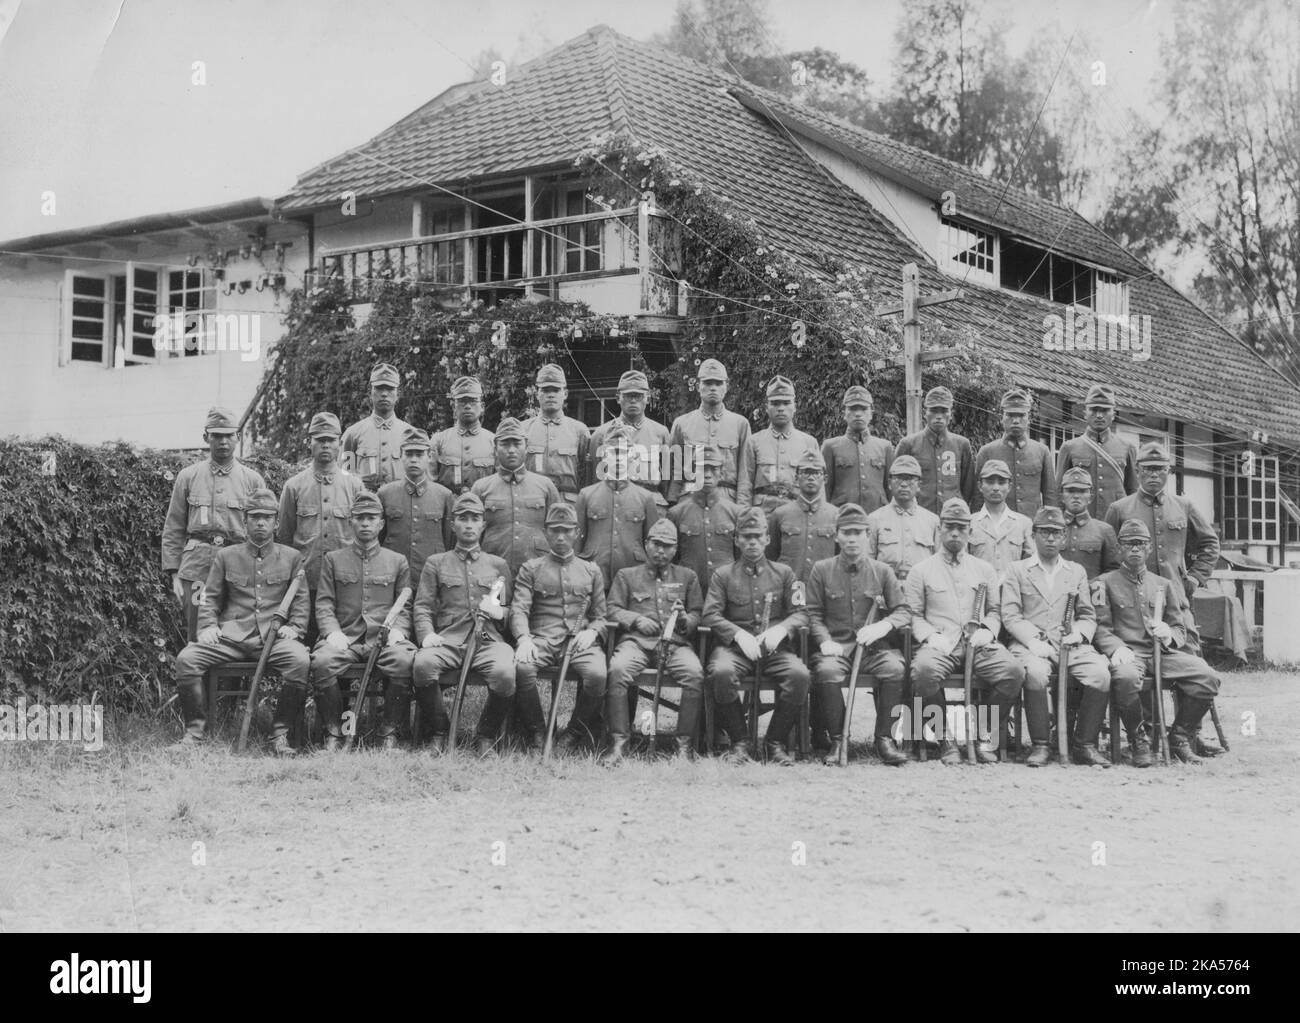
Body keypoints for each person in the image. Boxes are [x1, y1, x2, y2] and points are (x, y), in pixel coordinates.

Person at [170, 488, 309, 753]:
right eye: (254, 516)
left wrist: (295, 628)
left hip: (274, 638)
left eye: (266, 517)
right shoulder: (226, 556)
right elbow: (210, 597)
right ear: (244, 521)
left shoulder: (291, 557)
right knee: (187, 659)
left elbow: (301, 601)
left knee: (300, 660)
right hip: (233, 637)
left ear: (276, 523)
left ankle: (280, 735)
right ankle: (194, 734)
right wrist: (208, 626)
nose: (260, 522)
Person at [905, 499, 1026, 764]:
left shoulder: (983, 569)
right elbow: (912, 615)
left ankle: (983, 733)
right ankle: (945, 738)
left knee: (1013, 672)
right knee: (923, 672)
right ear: (940, 529)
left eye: (962, 527)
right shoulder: (921, 571)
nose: (956, 533)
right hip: (941, 644)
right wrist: (929, 636)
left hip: (978, 645)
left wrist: (989, 631)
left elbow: (995, 610)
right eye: (950, 527)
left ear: (970, 532)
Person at [1093, 519, 1223, 765]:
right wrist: (1116, 647)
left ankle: (1179, 737)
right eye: (1129, 544)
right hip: (1129, 653)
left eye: (1141, 544)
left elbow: (1179, 627)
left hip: (1161, 654)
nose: (1135, 549)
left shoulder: (1163, 585)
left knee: (1207, 677)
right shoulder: (1103, 583)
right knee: (1125, 678)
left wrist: (1168, 634)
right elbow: (1100, 628)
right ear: (1119, 547)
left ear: (1150, 548)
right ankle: (1138, 739)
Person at [1001, 507, 1113, 767]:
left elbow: (1087, 615)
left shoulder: (1076, 572)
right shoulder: (1017, 570)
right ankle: (1041, 744)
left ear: (1064, 537)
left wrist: (1079, 634)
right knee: (1037, 673)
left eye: (1056, 533)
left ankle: (1084, 744)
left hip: (1069, 646)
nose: (1050, 538)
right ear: (1034, 535)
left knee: (1100, 674)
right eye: (1044, 532)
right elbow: (1011, 615)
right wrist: (1033, 642)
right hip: (1031, 645)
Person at [702, 508, 810, 766]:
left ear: (767, 539)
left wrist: (781, 629)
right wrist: (738, 635)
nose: (751, 542)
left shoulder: (785, 573)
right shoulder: (722, 575)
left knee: (799, 675)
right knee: (721, 673)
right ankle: (740, 741)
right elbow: (710, 615)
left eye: (757, 536)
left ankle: (774, 742)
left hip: (774, 650)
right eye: (746, 536)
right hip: (735, 650)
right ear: (737, 540)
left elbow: (803, 613)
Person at [310, 492, 416, 751]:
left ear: (381, 524)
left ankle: (388, 732)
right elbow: (324, 603)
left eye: (372, 518)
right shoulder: (334, 559)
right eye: (360, 518)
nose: (366, 523)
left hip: (384, 639)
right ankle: (335, 732)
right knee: (322, 663)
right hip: (346, 638)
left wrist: (399, 631)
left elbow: (406, 603)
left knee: (404, 661)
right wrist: (332, 633)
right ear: (351, 522)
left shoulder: (397, 561)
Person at [806, 503, 910, 767]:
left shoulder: (882, 571)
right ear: (837, 535)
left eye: (858, 533)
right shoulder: (822, 569)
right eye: (847, 532)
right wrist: (825, 641)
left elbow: (903, 611)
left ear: (867, 535)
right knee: (827, 672)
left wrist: (883, 627)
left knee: (895, 668)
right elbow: (813, 614)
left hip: (873, 650)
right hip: (837, 649)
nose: (852, 539)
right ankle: (839, 740)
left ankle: (884, 738)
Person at [411, 493, 513, 757]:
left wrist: (499, 612)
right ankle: (439, 732)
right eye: (463, 519)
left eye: (475, 519)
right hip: (448, 641)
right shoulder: (437, 563)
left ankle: (486, 736)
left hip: (488, 642)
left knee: (505, 673)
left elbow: (512, 611)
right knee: (423, 665)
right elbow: (422, 605)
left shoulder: (497, 565)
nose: (469, 524)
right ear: (453, 525)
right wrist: (426, 634)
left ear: (483, 525)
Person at [603, 519, 705, 764]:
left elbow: (698, 613)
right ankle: (620, 743)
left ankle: (682, 746)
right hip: (636, 643)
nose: (661, 551)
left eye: (668, 546)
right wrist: (636, 619)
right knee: (617, 670)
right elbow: (611, 609)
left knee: (694, 674)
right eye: (656, 544)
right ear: (646, 545)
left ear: (675, 548)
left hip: (675, 645)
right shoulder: (627, 576)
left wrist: (684, 619)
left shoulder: (687, 577)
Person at [511, 503, 609, 754]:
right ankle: (537, 732)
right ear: (546, 532)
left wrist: (593, 632)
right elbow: (519, 609)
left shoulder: (591, 570)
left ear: (577, 532)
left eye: (567, 531)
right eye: (555, 531)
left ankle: (573, 734)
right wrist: (523, 639)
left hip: (579, 643)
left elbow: (601, 615)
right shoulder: (531, 568)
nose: (561, 537)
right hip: (541, 640)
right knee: (523, 668)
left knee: (597, 675)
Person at [161, 406, 265, 642]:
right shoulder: (188, 477)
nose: (223, 442)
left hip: (239, 569)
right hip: (197, 569)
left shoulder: (252, 480)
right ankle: (197, 679)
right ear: (206, 437)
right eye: (217, 435)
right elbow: (174, 527)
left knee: (236, 634)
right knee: (198, 634)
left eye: (229, 435)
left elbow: (263, 531)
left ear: (238, 437)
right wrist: (175, 574)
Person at [276, 411, 364, 638]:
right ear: (310, 443)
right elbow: (284, 538)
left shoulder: (354, 486)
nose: (325, 445)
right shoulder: (294, 486)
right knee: (304, 644)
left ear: (339, 443)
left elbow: (363, 536)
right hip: (307, 581)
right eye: (319, 440)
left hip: (344, 582)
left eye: (331, 440)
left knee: (342, 646)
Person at [470, 417, 561, 576]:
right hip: (493, 572)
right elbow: (471, 535)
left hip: (537, 571)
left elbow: (558, 531)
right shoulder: (481, 487)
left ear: (526, 447)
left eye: (517, 444)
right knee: (498, 602)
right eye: (505, 444)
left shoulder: (545, 486)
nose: (511, 450)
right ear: (495, 448)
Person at [575, 424, 660, 591]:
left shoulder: (645, 498)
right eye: (614, 453)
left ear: (632, 457)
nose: (620, 458)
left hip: (633, 578)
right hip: (594, 575)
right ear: (605, 456)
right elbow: (577, 542)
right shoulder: (586, 495)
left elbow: (653, 544)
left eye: (625, 453)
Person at [666, 358, 751, 503]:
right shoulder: (682, 424)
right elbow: (675, 471)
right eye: (708, 383)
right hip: (690, 499)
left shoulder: (740, 424)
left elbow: (745, 473)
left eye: (718, 383)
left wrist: (742, 508)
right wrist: (673, 505)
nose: (713, 388)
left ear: (726, 386)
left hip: (727, 500)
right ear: (698, 386)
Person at [738, 375, 821, 515]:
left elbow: (817, 486)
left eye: (786, 403)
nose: (781, 408)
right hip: (762, 516)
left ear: (795, 406)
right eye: (775, 403)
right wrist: (745, 519)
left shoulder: (808, 443)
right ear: (766, 407)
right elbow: (745, 487)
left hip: (796, 514)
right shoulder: (754, 442)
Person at [588, 369, 672, 508]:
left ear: (647, 398)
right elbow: (595, 478)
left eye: (638, 396)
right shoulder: (601, 434)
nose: (633, 400)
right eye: (628, 396)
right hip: (614, 503)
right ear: (618, 398)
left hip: (651, 502)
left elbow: (666, 478)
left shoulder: (660, 433)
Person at [378, 427, 453, 579]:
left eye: (419, 454)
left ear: (429, 456)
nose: (414, 459)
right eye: (409, 454)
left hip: (431, 575)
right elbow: (379, 539)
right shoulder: (385, 494)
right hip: (392, 574)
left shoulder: (444, 495)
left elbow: (449, 541)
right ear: (400, 456)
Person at [1055, 383, 1138, 518]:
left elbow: (1133, 491)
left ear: (1113, 414)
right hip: (1081, 520)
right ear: (1085, 413)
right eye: (1094, 410)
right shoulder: (1069, 447)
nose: (1099, 415)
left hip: (1117, 520)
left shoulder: (1127, 448)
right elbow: (1059, 492)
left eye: (1105, 410)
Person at [666, 444, 739, 591]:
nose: (707, 474)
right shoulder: (676, 513)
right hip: (689, 590)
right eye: (702, 469)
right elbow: (672, 560)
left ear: (722, 473)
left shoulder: (735, 512)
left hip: (726, 590)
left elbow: (740, 559)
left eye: (713, 469)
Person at [893, 386, 976, 513]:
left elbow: (968, 487)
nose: (939, 416)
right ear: (925, 413)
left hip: (952, 517)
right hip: (918, 516)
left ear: (950, 414)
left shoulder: (962, 445)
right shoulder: (908, 444)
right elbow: (896, 482)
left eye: (944, 411)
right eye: (934, 410)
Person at [975, 388, 1056, 516]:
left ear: (1028, 419)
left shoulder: (1042, 451)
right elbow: (977, 498)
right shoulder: (987, 452)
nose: (1016, 420)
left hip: (1031, 525)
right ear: (1002, 418)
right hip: (997, 526)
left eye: (1021, 415)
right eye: (1010, 415)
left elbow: (1050, 496)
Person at [522, 363, 590, 504]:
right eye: (545, 390)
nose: (551, 395)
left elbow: (586, 475)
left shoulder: (579, 431)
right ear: (537, 394)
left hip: (568, 506)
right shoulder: (523, 430)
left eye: (556, 390)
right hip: (533, 503)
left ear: (565, 394)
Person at [865, 455, 940, 582]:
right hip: (886, 589)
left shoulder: (932, 521)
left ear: (919, 485)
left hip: (921, 588)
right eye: (898, 478)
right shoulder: (875, 519)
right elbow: (867, 563)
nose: (904, 484)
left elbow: (938, 564)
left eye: (910, 479)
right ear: (889, 483)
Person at [768, 449, 838, 583]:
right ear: (796, 478)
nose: (811, 478)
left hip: (824, 587)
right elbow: (771, 557)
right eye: (806, 472)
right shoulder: (780, 514)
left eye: (817, 473)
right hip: (791, 586)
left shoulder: (836, 515)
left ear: (825, 478)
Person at [821, 385, 893, 513]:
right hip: (843, 518)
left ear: (871, 413)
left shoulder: (885, 447)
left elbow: (890, 490)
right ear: (844, 413)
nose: (858, 414)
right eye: (853, 409)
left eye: (864, 409)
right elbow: (825, 490)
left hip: (877, 517)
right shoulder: (830, 447)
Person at [341, 363, 411, 490]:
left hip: (399, 504)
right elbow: (345, 476)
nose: (384, 394)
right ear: (370, 392)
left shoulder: (409, 434)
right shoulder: (353, 434)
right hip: (365, 505)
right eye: (379, 388)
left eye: (390, 388)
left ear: (397, 394)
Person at [967, 459, 1034, 580]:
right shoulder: (969, 523)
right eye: (990, 482)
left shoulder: (1023, 524)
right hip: (978, 594)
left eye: (1002, 482)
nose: (996, 488)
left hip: (1012, 594)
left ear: (1009, 486)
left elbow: (1030, 566)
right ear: (980, 486)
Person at [430, 376, 495, 495]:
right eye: (462, 401)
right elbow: (431, 485)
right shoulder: (439, 441)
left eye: (473, 401)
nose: (467, 406)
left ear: (482, 407)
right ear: (453, 407)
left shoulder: (493, 442)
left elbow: (498, 485)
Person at [1058, 467, 1121, 579]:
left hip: (1091, 593)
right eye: (1070, 491)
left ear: (1091, 497)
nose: (1076, 496)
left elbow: (1114, 570)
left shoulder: (1104, 530)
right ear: (1062, 496)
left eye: (1082, 491)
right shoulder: (1052, 528)